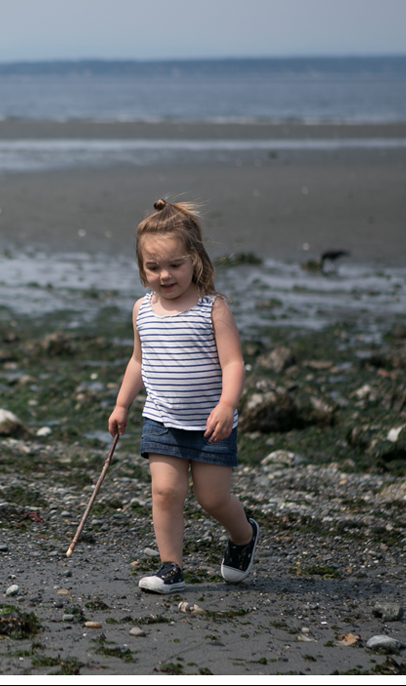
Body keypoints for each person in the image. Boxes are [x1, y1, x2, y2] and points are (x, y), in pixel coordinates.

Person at [108, 199, 259, 594]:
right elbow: (138, 361)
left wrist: (227, 405)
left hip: (210, 424)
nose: (165, 275)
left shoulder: (213, 309)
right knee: (165, 491)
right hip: (162, 419)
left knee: (212, 499)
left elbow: (233, 364)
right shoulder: (142, 310)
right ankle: (171, 566)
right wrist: (122, 404)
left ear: (195, 260)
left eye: (175, 265)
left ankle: (244, 536)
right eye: (153, 267)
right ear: (142, 269)